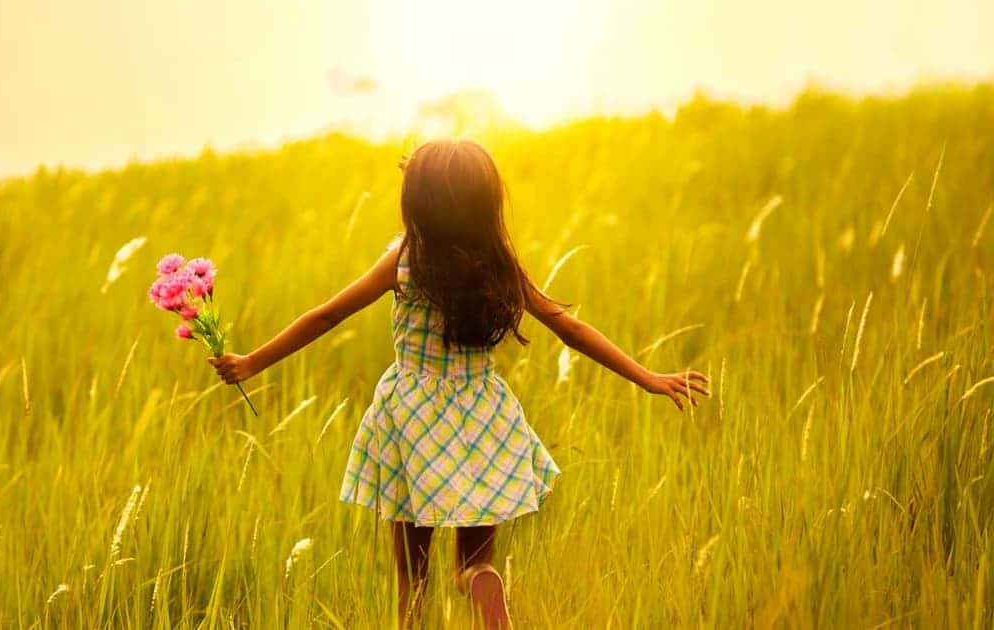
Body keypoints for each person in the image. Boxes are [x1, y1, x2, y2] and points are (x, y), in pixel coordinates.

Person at [208, 139, 710, 628]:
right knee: (473, 563)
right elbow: (570, 329)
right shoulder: (499, 264)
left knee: (414, 577)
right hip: (483, 415)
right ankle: (479, 580)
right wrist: (648, 378)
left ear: (419, 204)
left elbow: (327, 315)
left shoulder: (405, 259)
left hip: (411, 419)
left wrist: (253, 361)